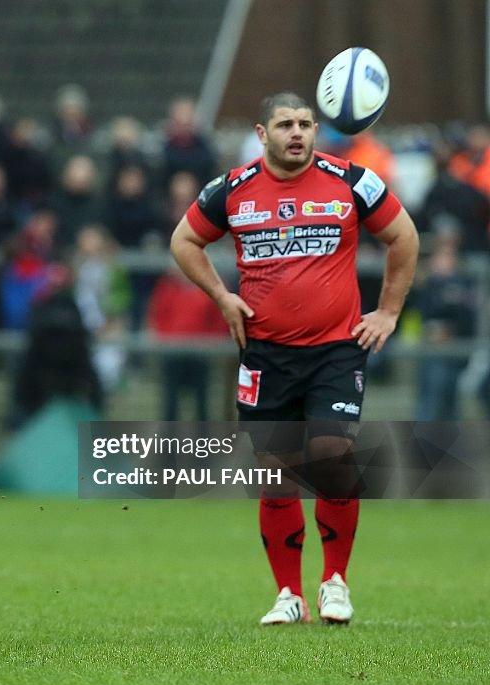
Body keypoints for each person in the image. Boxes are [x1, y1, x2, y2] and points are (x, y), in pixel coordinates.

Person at [170, 93, 419, 626]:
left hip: (337, 348)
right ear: (263, 134)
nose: (298, 133)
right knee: (275, 474)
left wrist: (388, 312)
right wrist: (221, 296)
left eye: (306, 123)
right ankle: (289, 594)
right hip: (265, 354)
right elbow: (185, 240)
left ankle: (335, 582)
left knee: (331, 455)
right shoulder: (233, 190)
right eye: (286, 124)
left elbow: (403, 236)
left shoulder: (351, 180)